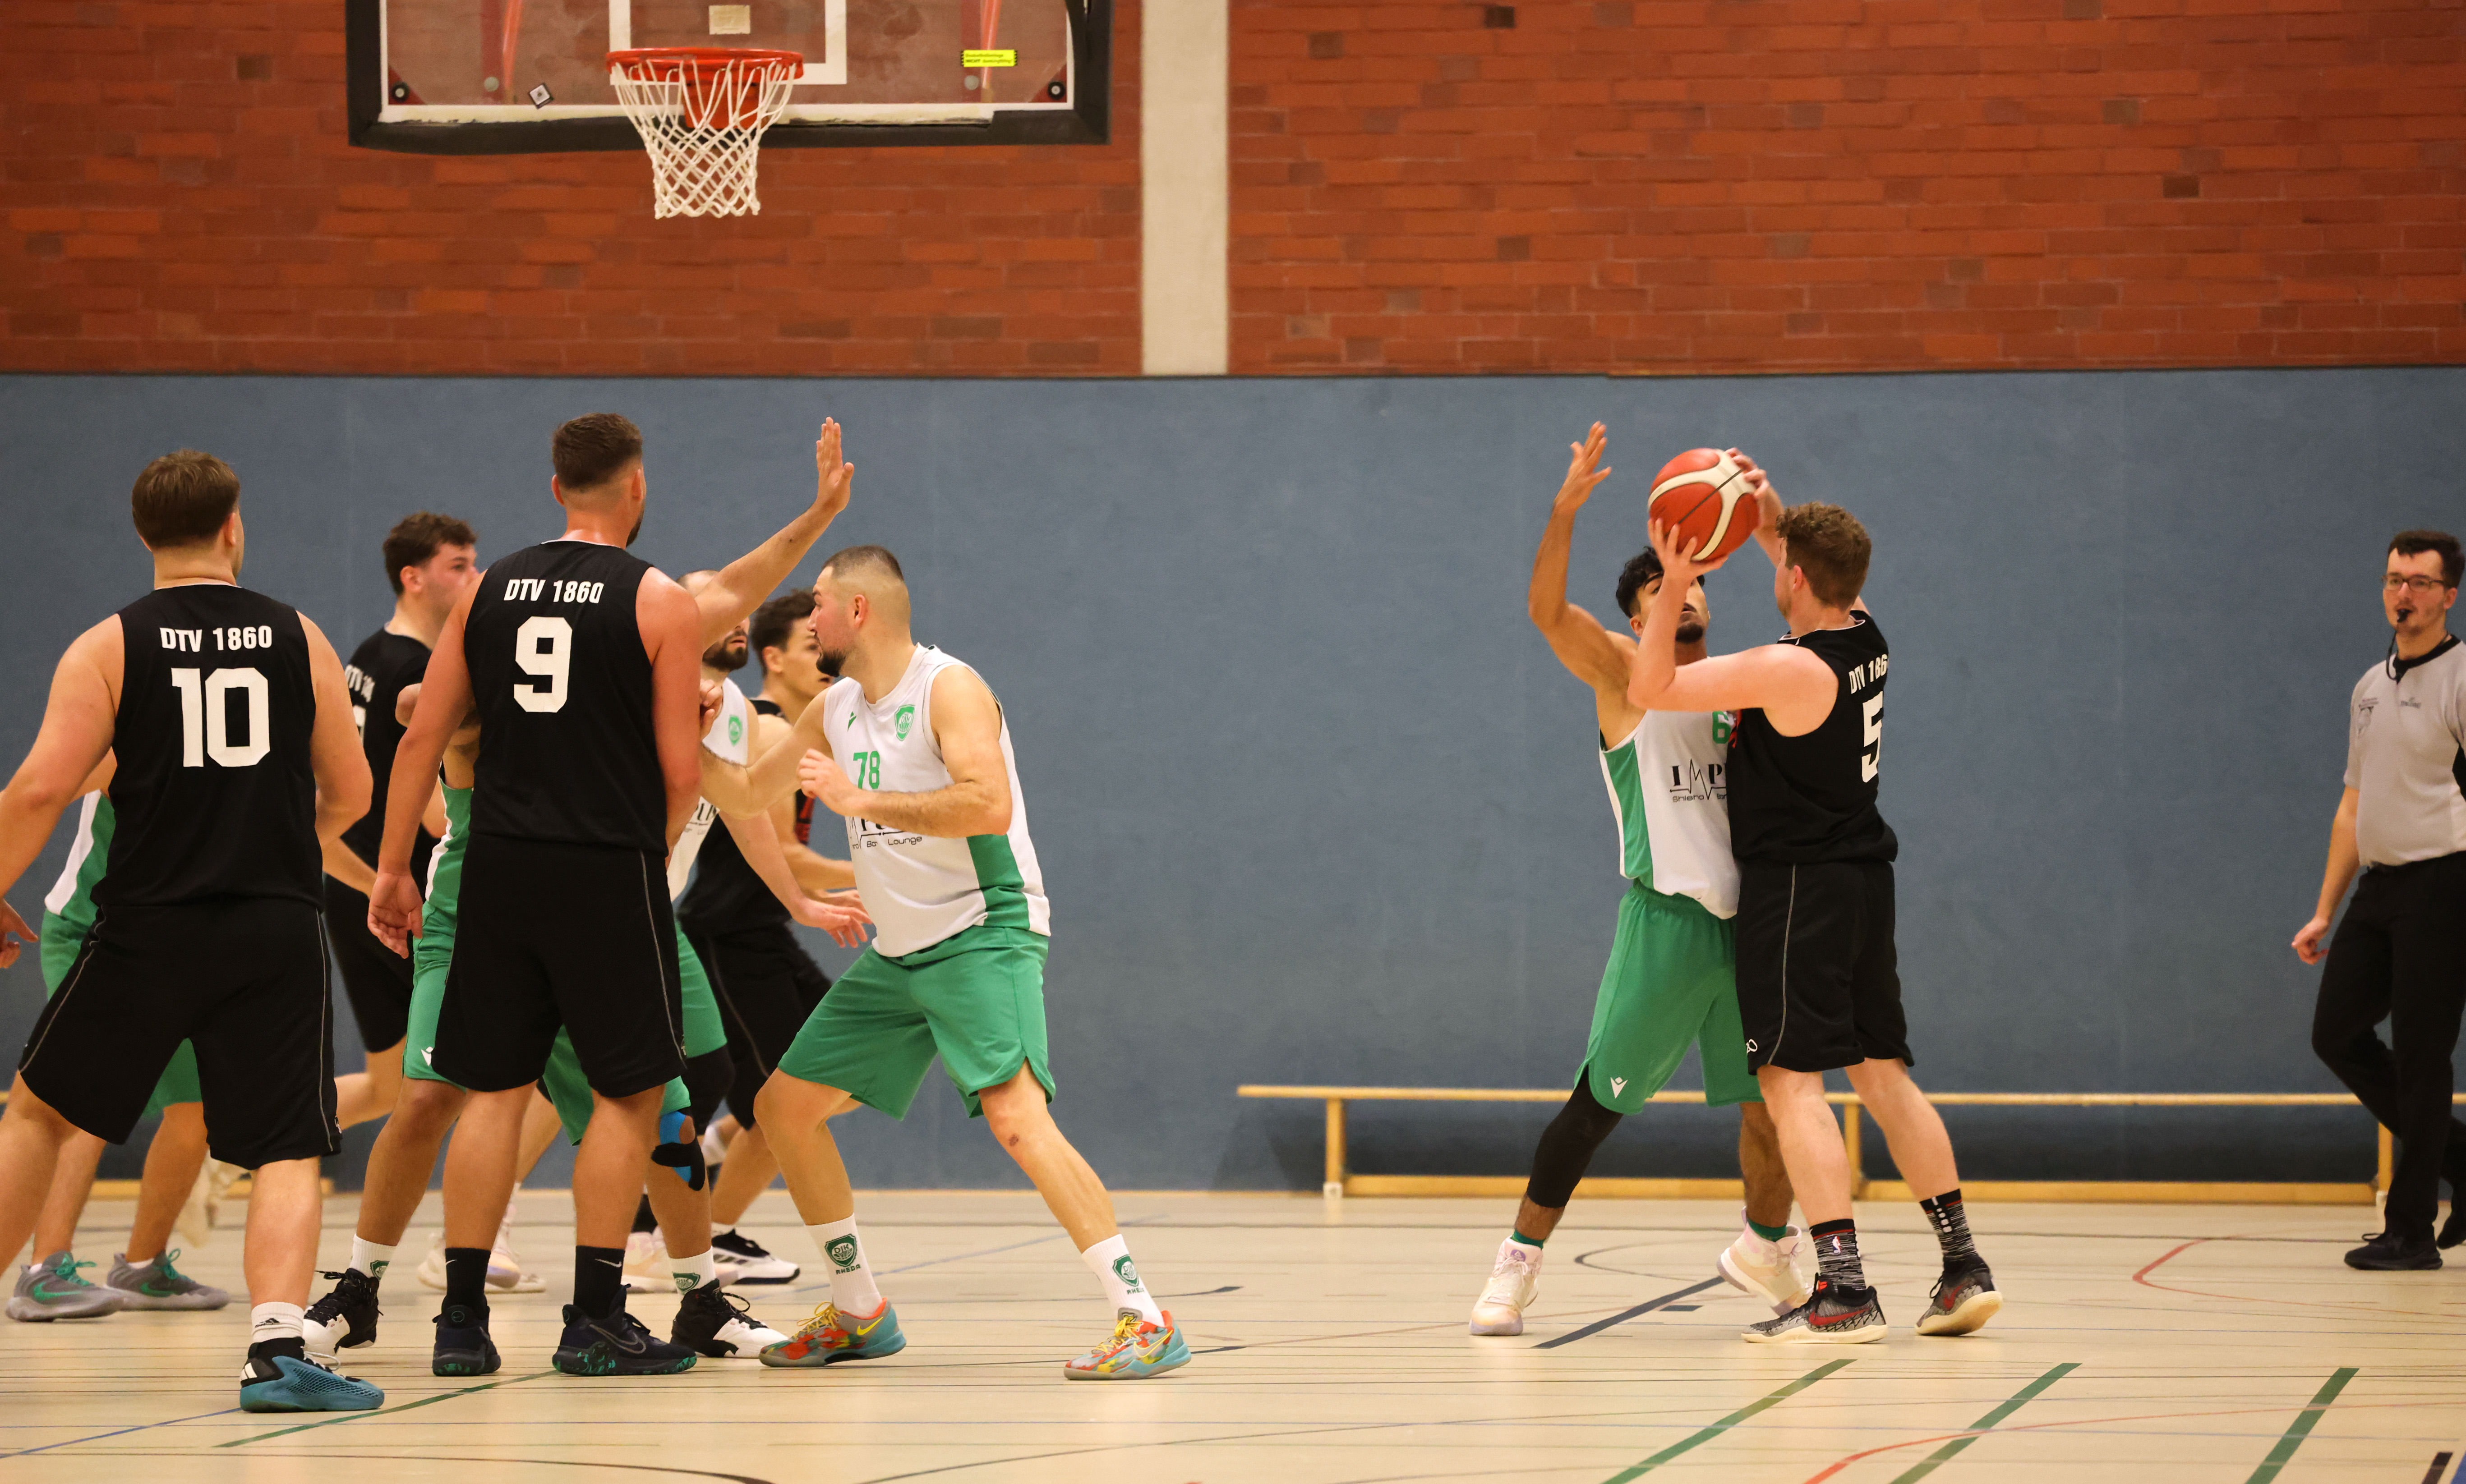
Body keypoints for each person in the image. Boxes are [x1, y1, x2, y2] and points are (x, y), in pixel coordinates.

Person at [358, 412, 856, 1378]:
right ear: (637, 488)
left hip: (497, 866)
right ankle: (596, 1313)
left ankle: (461, 1318)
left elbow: (419, 732)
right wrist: (648, 858)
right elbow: (681, 769)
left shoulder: (490, 588)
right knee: (638, 1098)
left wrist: (389, 868)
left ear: (556, 489)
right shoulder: (656, 600)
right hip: (603, 868)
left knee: (494, 1094)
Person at [714, 543, 1189, 1381]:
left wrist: (858, 800)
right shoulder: (833, 707)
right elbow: (749, 794)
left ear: (858, 609)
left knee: (1017, 1120)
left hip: (981, 930)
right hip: (898, 953)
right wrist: (681, 732)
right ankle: (859, 1309)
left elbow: (987, 803)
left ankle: (1143, 1316)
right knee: (783, 1109)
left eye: (818, 602)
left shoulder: (948, 687)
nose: (807, 616)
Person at [0, 450, 382, 1411]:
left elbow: (40, 789)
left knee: (39, 1114)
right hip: (273, 927)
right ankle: (277, 1351)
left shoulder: (108, 645)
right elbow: (353, 790)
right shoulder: (297, 634)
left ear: (143, 535)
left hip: (147, 925)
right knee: (287, 1144)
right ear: (233, 528)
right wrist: (274, 838)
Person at [1627, 455, 1999, 1345]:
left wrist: (1674, 580)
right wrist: (1764, 510)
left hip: (1797, 889)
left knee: (1791, 1082)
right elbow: (1801, 557)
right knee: (1882, 1075)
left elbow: (1651, 688)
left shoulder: (1786, 669)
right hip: (1865, 879)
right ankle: (1962, 1265)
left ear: (1795, 577)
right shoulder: (1865, 634)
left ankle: (1844, 1287)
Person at [1469, 424, 1803, 1337]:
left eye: (1696, 582)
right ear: (1635, 614)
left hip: (1751, 927)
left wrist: (1764, 511)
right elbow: (1546, 612)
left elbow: (1809, 594)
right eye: (1665, 584)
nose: (1686, 592)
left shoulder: (1742, 682)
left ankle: (1768, 1249)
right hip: (1667, 924)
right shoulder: (1621, 673)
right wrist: (1563, 511)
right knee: (1596, 1106)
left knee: (1773, 1110)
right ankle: (1516, 1262)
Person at [2293, 529, 2466, 1270]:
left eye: (2420, 582)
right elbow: (2351, 805)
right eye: (2394, 579)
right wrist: (2325, 909)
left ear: (2448, 595)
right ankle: (2460, 1158)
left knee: (2424, 1054)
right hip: (2379, 886)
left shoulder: (2460, 677)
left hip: (2444, 882)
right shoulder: (2369, 686)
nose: (2404, 593)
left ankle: (2410, 1232)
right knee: (2335, 1034)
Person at [9, 753, 227, 1323]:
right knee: (83, 1103)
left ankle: (142, 1266)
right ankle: (44, 1271)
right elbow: (38, 792)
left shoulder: (240, 746)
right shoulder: (128, 737)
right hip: (92, 930)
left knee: (196, 1111)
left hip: (178, 944)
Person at [678, 588, 857, 1283]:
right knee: (782, 1102)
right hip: (725, 933)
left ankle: (713, 1165)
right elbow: (782, 849)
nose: (827, 658)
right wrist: (878, 871)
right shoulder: (765, 729)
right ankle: (707, 1231)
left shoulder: (794, 731)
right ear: (773, 658)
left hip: (764, 929)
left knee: (834, 1080)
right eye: (812, 647)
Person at [327, 514, 480, 1131]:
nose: (475, 577)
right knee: (479, 1074)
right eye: (459, 566)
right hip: (399, 900)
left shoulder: (368, 653)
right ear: (413, 578)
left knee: (389, 1086)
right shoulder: (418, 674)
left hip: (350, 888)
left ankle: (243, 1140)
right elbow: (439, 815)